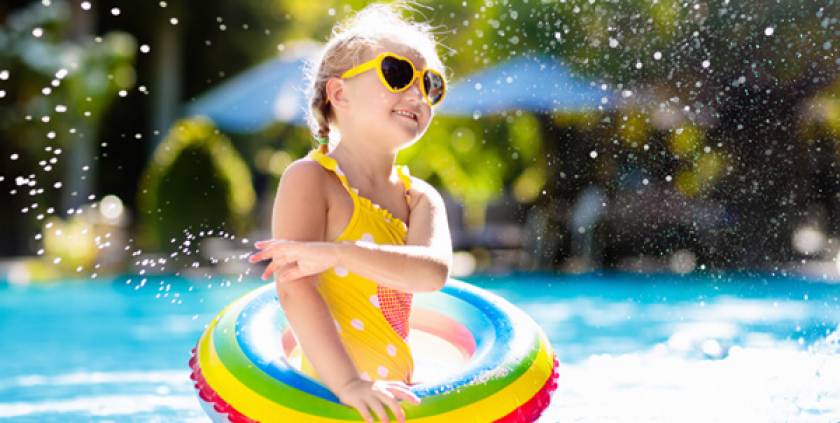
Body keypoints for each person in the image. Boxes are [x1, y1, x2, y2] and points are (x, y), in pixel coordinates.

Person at [248, 3, 452, 423]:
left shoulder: (421, 199)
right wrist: (349, 385)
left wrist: (338, 253)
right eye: (397, 74)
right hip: (325, 397)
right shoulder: (311, 180)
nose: (417, 94)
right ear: (340, 94)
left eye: (430, 84)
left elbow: (431, 274)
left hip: (397, 395)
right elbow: (294, 289)